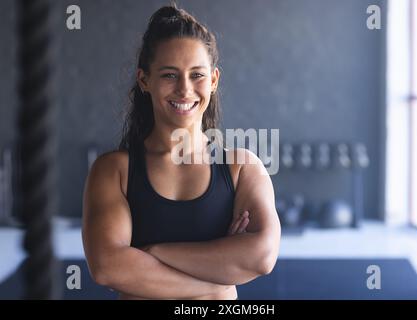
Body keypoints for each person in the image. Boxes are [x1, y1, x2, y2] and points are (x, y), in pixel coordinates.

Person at [82, 4, 280, 300]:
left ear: (213, 81)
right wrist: (220, 279)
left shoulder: (241, 168)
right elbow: (108, 267)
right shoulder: (114, 171)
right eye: (169, 75)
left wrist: (154, 252)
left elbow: (261, 256)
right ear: (144, 80)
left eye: (197, 75)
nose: (185, 89)